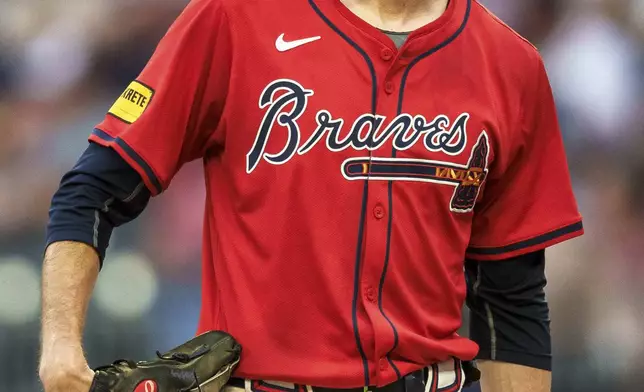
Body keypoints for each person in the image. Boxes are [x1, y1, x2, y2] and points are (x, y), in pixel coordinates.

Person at [38, 0, 584, 391]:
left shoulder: (512, 66)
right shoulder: (237, 17)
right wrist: (61, 349)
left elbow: (511, 300)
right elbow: (96, 189)